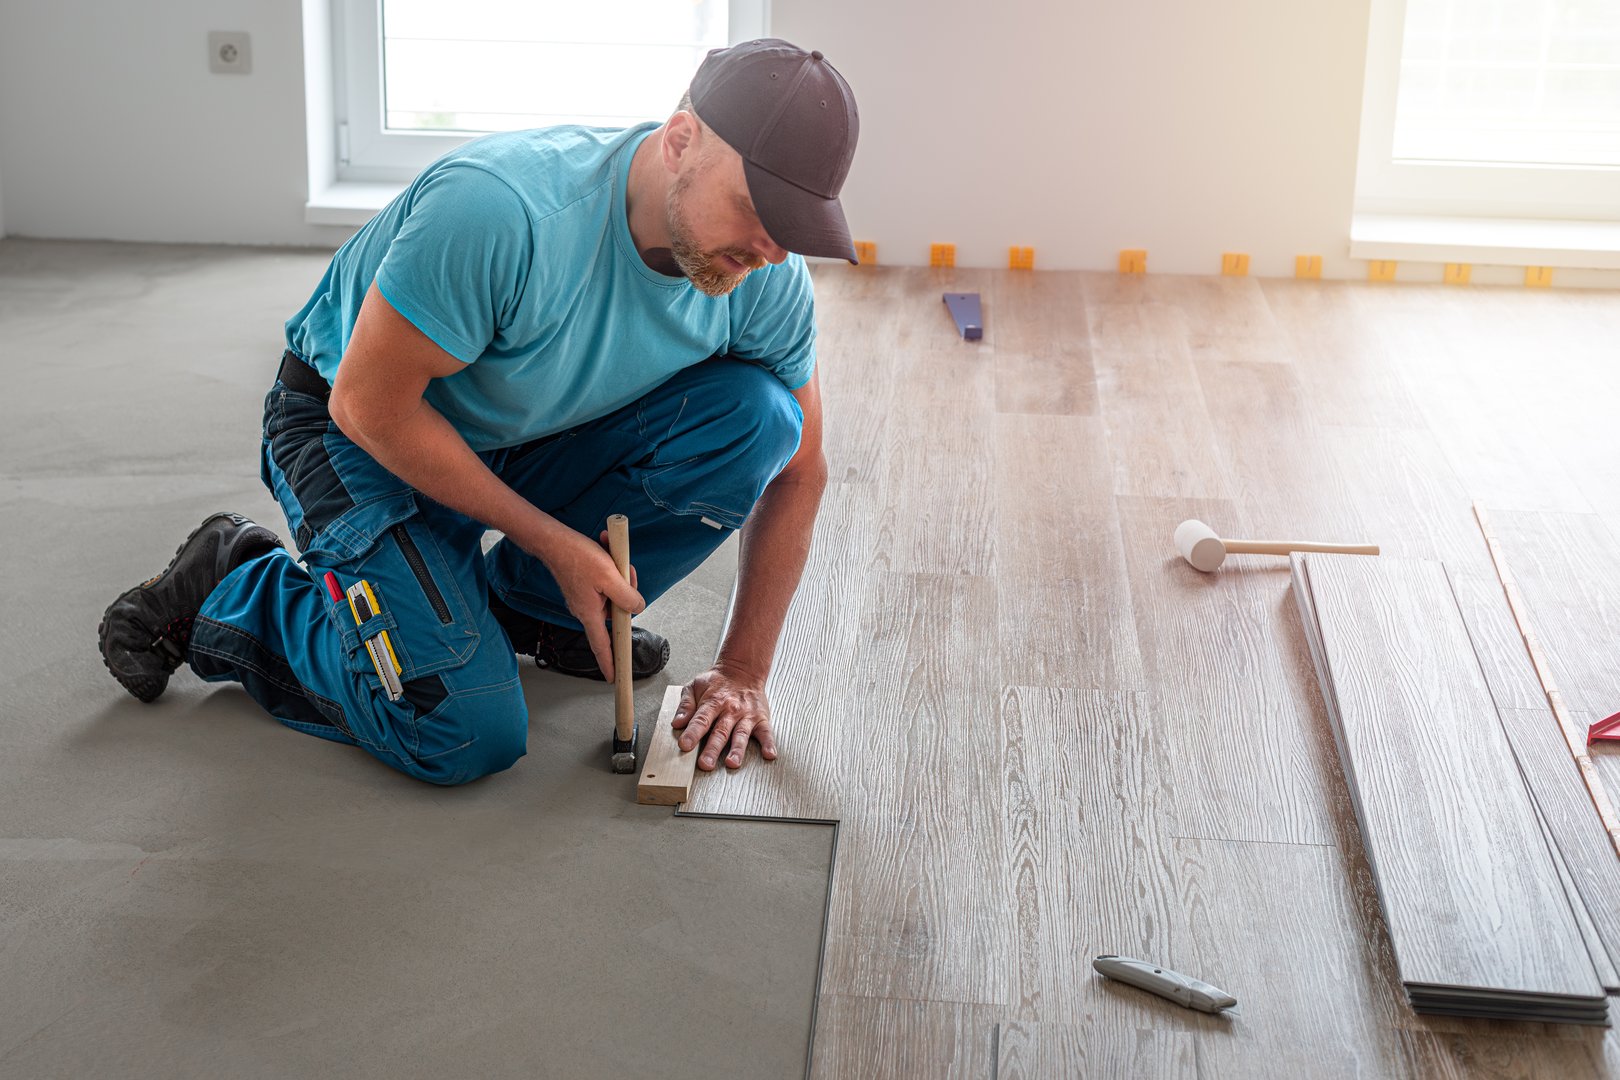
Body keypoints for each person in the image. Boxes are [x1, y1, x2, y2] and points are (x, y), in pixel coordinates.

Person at [98, 38, 860, 786]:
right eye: (757, 207)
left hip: (527, 426)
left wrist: (742, 669)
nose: (771, 247)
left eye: (794, 225)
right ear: (681, 140)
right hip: (354, 429)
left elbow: (800, 470)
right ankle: (238, 586)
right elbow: (367, 405)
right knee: (458, 728)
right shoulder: (503, 211)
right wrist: (557, 542)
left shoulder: (763, 276)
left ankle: (527, 612)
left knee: (759, 415)